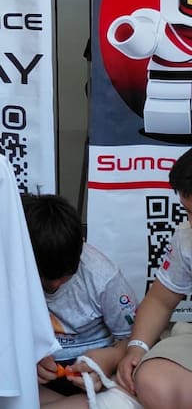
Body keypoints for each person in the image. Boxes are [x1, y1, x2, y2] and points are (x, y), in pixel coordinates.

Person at [21, 193, 137, 406]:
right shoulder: (11, 272)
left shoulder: (103, 277)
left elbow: (134, 341)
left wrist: (108, 360)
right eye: (45, 278)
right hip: (34, 373)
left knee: (131, 384)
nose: (55, 286)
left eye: (65, 276)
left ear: (81, 247)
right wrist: (27, 359)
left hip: (92, 366)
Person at [116, 148, 192, 408]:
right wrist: (137, 347)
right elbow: (161, 300)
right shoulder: (186, 237)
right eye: (189, 213)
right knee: (151, 381)